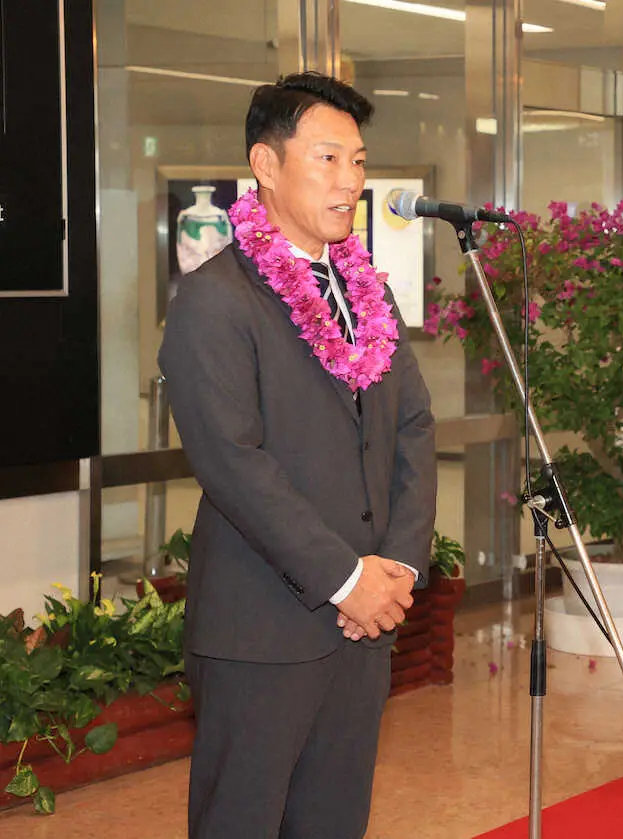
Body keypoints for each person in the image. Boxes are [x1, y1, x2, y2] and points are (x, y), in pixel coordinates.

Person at [159, 71, 436, 838]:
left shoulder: (368, 293)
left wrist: (398, 571)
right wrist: (344, 578)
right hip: (262, 632)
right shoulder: (215, 300)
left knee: (333, 822)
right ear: (266, 164)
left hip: (363, 629)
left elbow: (412, 426)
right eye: (327, 159)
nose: (350, 181)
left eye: (358, 161)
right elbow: (233, 462)